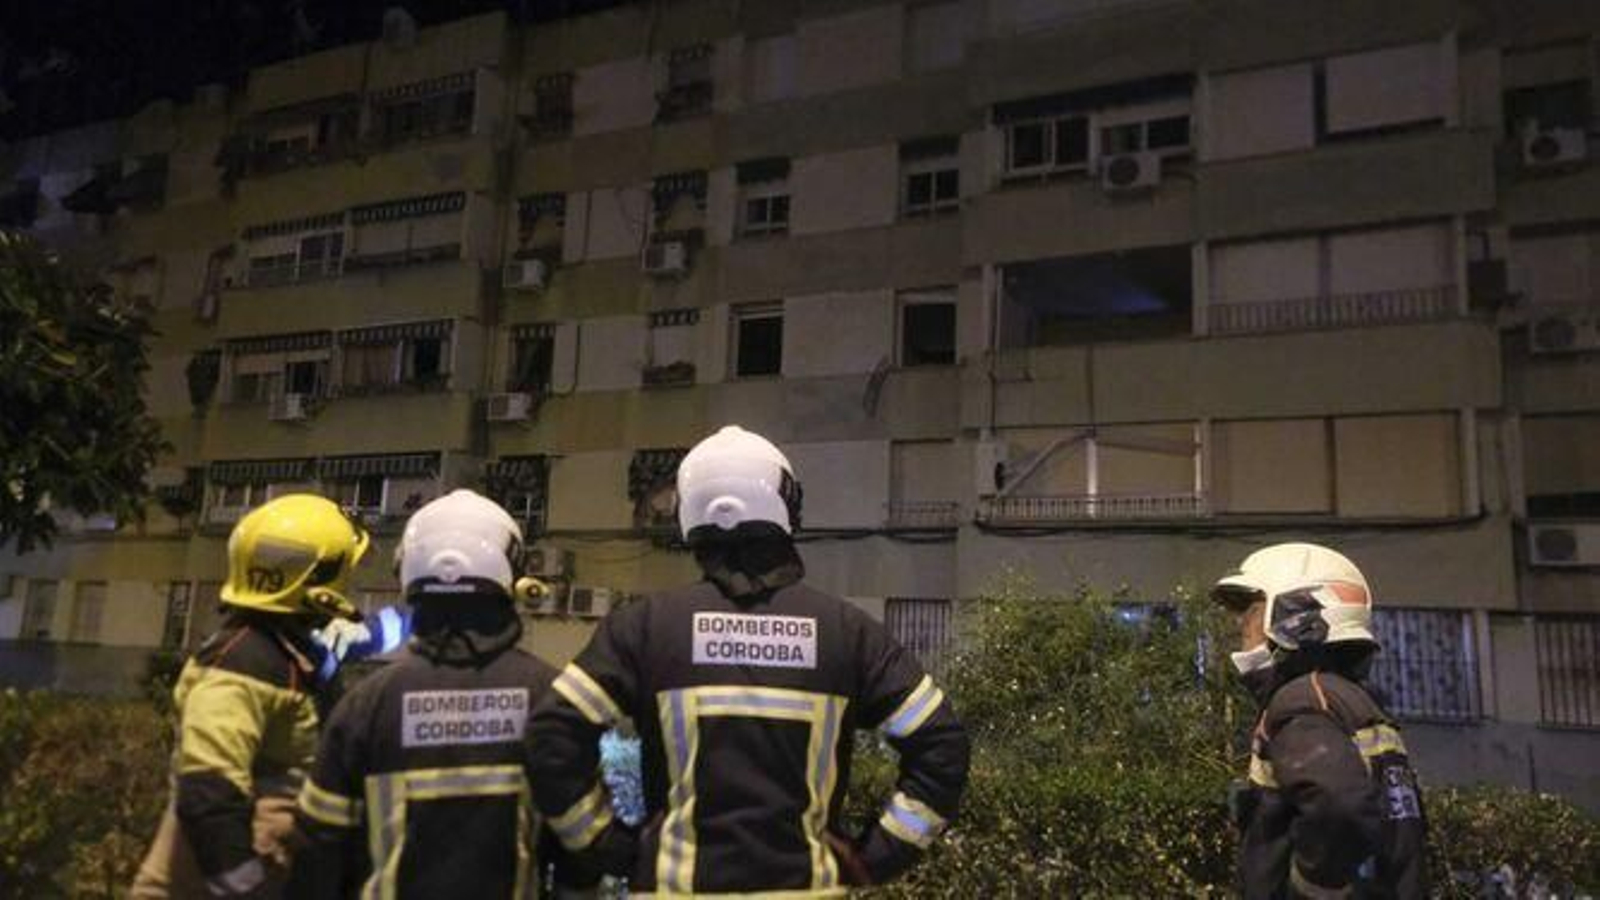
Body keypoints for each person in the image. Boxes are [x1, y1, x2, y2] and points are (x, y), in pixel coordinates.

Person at [527, 425, 971, 897]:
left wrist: (610, 848)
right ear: (787, 507)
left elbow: (552, 738)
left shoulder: (645, 627)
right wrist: (880, 856)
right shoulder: (847, 632)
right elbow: (941, 746)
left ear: (686, 513)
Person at [293, 489, 587, 898]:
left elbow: (316, 853)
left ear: (407, 579)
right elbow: (582, 848)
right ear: (514, 580)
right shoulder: (548, 695)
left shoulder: (365, 706)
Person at [132, 494, 372, 898]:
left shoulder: (281, 651)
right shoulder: (240, 663)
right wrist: (248, 888)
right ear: (318, 584)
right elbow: (209, 793)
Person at [1211, 542, 1428, 899]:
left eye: (1251, 612)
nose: (1241, 627)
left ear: (1297, 616)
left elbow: (1341, 807)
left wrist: (1312, 886)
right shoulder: (1349, 700)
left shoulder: (1303, 701)